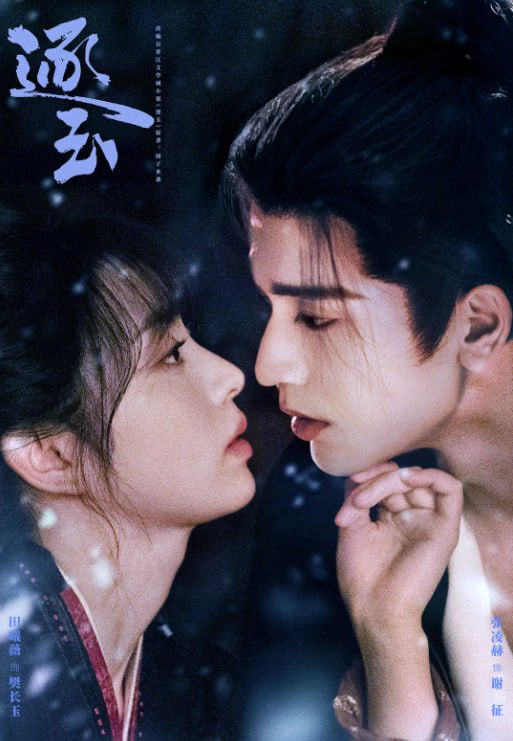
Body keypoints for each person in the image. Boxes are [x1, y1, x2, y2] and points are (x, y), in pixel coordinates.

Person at [223, 0, 513, 738]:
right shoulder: (337, 521)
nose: (267, 364)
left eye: (317, 316)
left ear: (477, 323)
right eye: (270, 307)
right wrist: (388, 637)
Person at [0, 196, 255, 740]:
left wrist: (389, 633)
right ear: (51, 455)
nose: (230, 375)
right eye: (170, 355)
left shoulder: (193, 687)